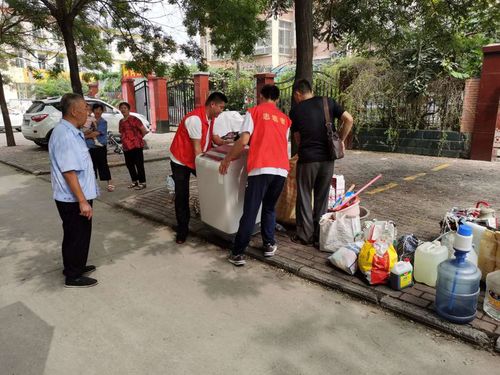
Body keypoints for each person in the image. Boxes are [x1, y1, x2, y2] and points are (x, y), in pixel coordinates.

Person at [219, 85, 291, 266]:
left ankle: (238, 253)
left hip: (261, 168)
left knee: (251, 209)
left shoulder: (254, 112)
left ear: (261, 96)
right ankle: (268, 244)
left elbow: (243, 141)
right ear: (277, 99)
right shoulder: (285, 120)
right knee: (269, 207)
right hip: (281, 169)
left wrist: (227, 159)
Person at [290, 79, 353, 247]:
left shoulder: (296, 110)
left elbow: (298, 138)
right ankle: (320, 234)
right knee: (322, 197)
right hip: (327, 160)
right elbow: (349, 119)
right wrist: (340, 139)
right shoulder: (328, 102)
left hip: (308, 160)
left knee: (304, 196)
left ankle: (305, 235)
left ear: (298, 93)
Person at [48, 93, 99, 288]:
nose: (88, 112)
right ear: (73, 111)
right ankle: (73, 275)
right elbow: (69, 172)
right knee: (76, 234)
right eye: (85, 108)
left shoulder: (71, 131)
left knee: (77, 233)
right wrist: (83, 201)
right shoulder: (65, 135)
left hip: (76, 197)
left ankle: (75, 265)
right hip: (73, 198)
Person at [170, 92, 228, 244]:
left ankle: (213, 220)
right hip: (181, 160)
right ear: (212, 104)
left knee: (212, 185)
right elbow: (197, 151)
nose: (221, 111)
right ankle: (182, 230)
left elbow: (213, 137)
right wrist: (205, 171)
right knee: (182, 194)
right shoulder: (195, 119)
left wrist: (227, 142)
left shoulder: (211, 118)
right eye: (221, 107)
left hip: (195, 158)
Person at [118, 101, 149, 190]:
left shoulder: (134, 119)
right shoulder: (121, 121)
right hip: (126, 147)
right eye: (121, 108)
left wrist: (138, 138)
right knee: (129, 165)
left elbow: (144, 130)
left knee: (139, 164)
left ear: (128, 109)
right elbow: (121, 132)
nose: (123, 109)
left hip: (136, 145)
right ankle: (134, 181)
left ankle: (142, 182)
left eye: (125, 108)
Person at [85, 103, 114, 192]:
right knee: (91, 166)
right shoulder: (88, 120)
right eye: (96, 109)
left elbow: (97, 133)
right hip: (89, 147)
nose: (98, 111)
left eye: (100, 109)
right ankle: (93, 185)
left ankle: (110, 183)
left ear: (102, 111)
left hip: (100, 146)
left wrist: (85, 136)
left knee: (103, 165)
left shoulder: (103, 122)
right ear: (93, 110)